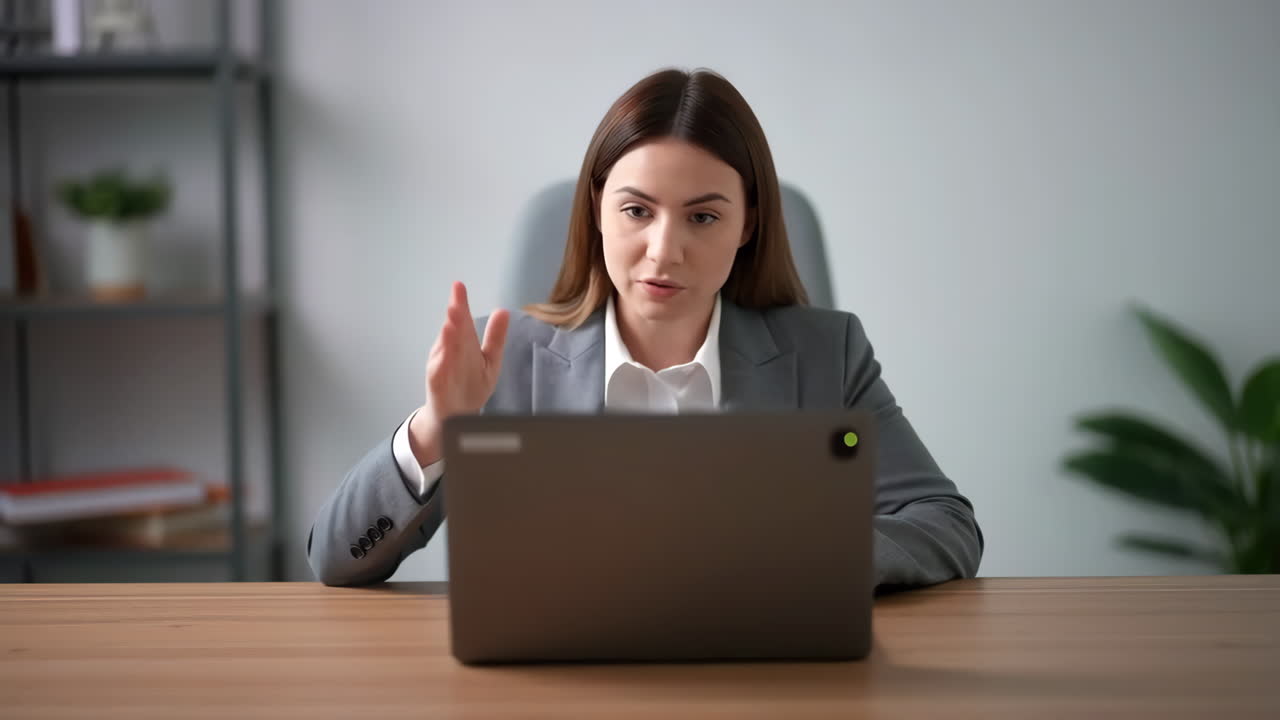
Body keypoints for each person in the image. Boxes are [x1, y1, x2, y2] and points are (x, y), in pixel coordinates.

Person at [308, 68, 983, 589]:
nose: (664, 251)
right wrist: (436, 428)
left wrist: (813, 563)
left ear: (748, 225)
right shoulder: (504, 360)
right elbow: (336, 559)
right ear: (598, 209)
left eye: (703, 217)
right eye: (637, 211)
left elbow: (944, 524)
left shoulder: (825, 353)